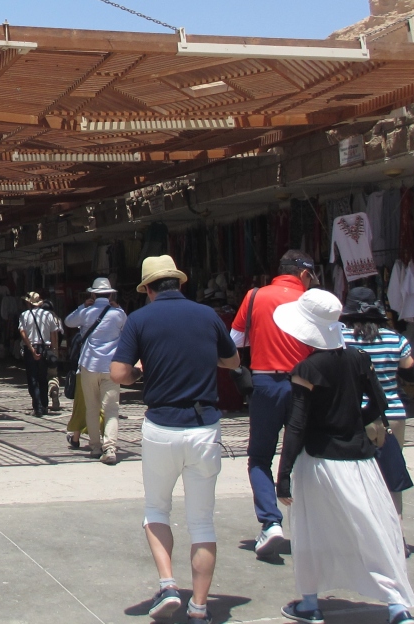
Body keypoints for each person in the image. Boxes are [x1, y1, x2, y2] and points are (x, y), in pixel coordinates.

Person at [274, 288, 414, 624]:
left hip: (319, 460)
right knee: (374, 528)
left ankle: (310, 603)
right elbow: (380, 403)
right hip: (360, 459)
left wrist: (283, 475)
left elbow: (297, 426)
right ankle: (396, 604)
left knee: (311, 529)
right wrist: (355, 423)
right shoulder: (358, 358)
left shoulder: (307, 369)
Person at [111, 256, 241, 624]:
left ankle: (168, 585)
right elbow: (232, 362)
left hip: (162, 426)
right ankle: (199, 607)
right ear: (180, 284)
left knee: (156, 510)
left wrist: (140, 372)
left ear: (148, 289)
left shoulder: (140, 320)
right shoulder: (207, 316)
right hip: (204, 426)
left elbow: (118, 373)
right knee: (202, 523)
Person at [229, 249, 317, 557]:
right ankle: (310, 526)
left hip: (265, 384)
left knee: (259, 457)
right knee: (306, 455)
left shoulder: (255, 296)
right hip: (304, 385)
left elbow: (234, 341)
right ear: (303, 274)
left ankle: (270, 523)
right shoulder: (310, 301)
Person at [341, 287, 414, 513]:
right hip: (391, 415)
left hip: (355, 416)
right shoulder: (395, 339)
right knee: (391, 476)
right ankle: (396, 529)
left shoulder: (340, 340)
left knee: (356, 478)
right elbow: (412, 374)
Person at [65, 277, 127, 464]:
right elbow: (128, 329)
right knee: (111, 408)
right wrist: (119, 309)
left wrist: (83, 306)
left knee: (92, 407)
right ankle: (110, 447)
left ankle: (95, 447)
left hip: (89, 365)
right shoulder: (118, 314)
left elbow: (68, 321)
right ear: (111, 295)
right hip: (111, 367)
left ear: (92, 294)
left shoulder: (86, 312)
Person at [19, 291, 61, 416]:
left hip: (31, 348)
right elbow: (54, 333)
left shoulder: (24, 315)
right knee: (43, 378)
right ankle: (44, 405)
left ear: (29, 303)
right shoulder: (48, 315)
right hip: (45, 348)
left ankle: (37, 407)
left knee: (32, 378)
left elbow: (23, 333)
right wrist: (53, 350)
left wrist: (31, 349)